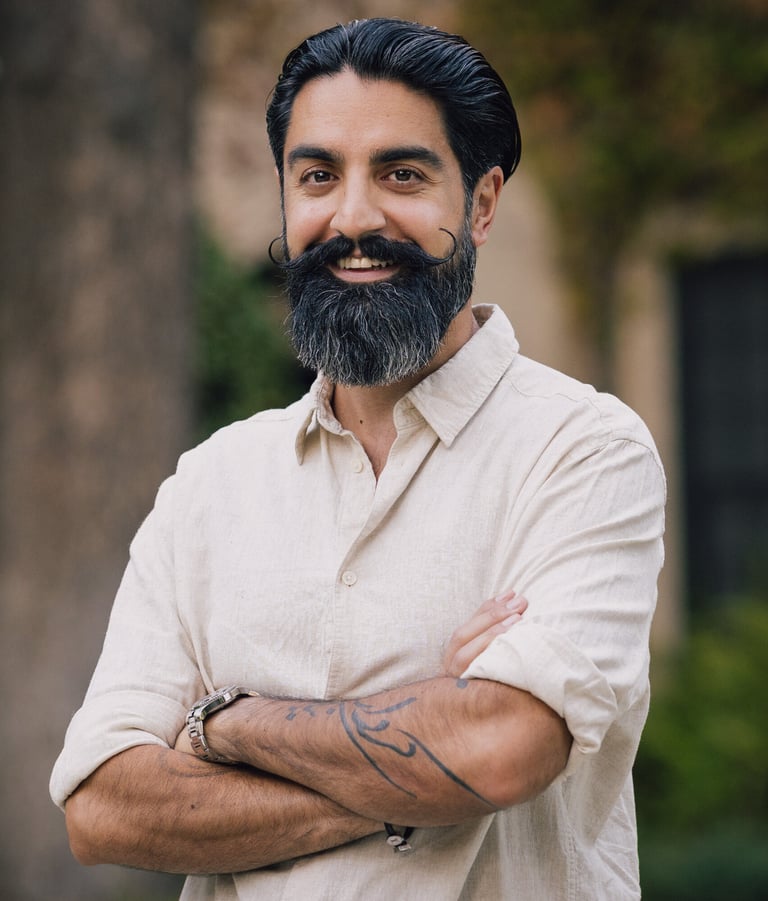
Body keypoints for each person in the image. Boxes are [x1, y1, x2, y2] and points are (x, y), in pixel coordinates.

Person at [51, 17, 665, 901]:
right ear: (286, 198)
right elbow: (103, 806)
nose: (355, 217)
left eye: (402, 174)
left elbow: (501, 747)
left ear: (482, 204)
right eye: (318, 176)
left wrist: (226, 722)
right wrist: (428, 742)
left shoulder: (582, 451)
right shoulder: (212, 485)